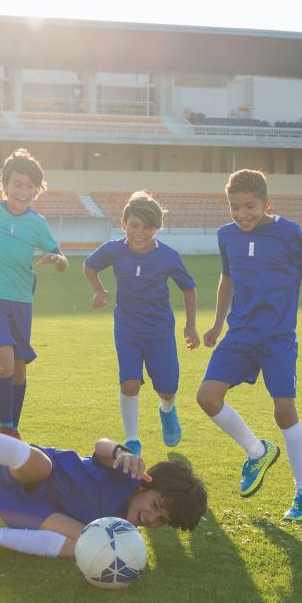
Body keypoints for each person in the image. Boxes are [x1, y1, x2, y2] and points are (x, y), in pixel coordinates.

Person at [0, 394, 207, 559]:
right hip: (31, 472)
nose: (152, 519)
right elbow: (101, 446)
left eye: (162, 520)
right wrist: (120, 452)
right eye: (156, 505)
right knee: (41, 466)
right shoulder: (127, 474)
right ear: (145, 484)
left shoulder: (123, 531)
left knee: (88, 544)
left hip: (25, 510)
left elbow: (79, 536)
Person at [196, 169, 302, 521]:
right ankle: (257, 451)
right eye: (234, 207)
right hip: (240, 335)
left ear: (266, 203)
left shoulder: (288, 233)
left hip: (278, 337)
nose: (241, 214)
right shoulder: (226, 236)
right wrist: (217, 323)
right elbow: (227, 278)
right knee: (207, 397)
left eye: (249, 206)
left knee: (284, 410)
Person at [0, 149, 67, 439]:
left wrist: (57, 261)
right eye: (17, 184)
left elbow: (61, 259)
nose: (23, 191)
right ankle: (5, 426)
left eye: (29, 186)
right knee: (4, 362)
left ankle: (12, 427)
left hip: (21, 301)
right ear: (4, 185)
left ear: (37, 190)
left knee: (18, 370)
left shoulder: (38, 224)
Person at [84, 191, 199, 456]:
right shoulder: (114, 249)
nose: (140, 233)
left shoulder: (168, 256)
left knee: (167, 388)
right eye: (134, 225)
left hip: (159, 329)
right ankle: (132, 439)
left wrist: (190, 326)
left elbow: (189, 288)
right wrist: (99, 291)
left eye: (148, 227)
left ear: (157, 228)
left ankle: (167, 410)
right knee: (130, 383)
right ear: (124, 223)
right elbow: (89, 266)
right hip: (127, 326)